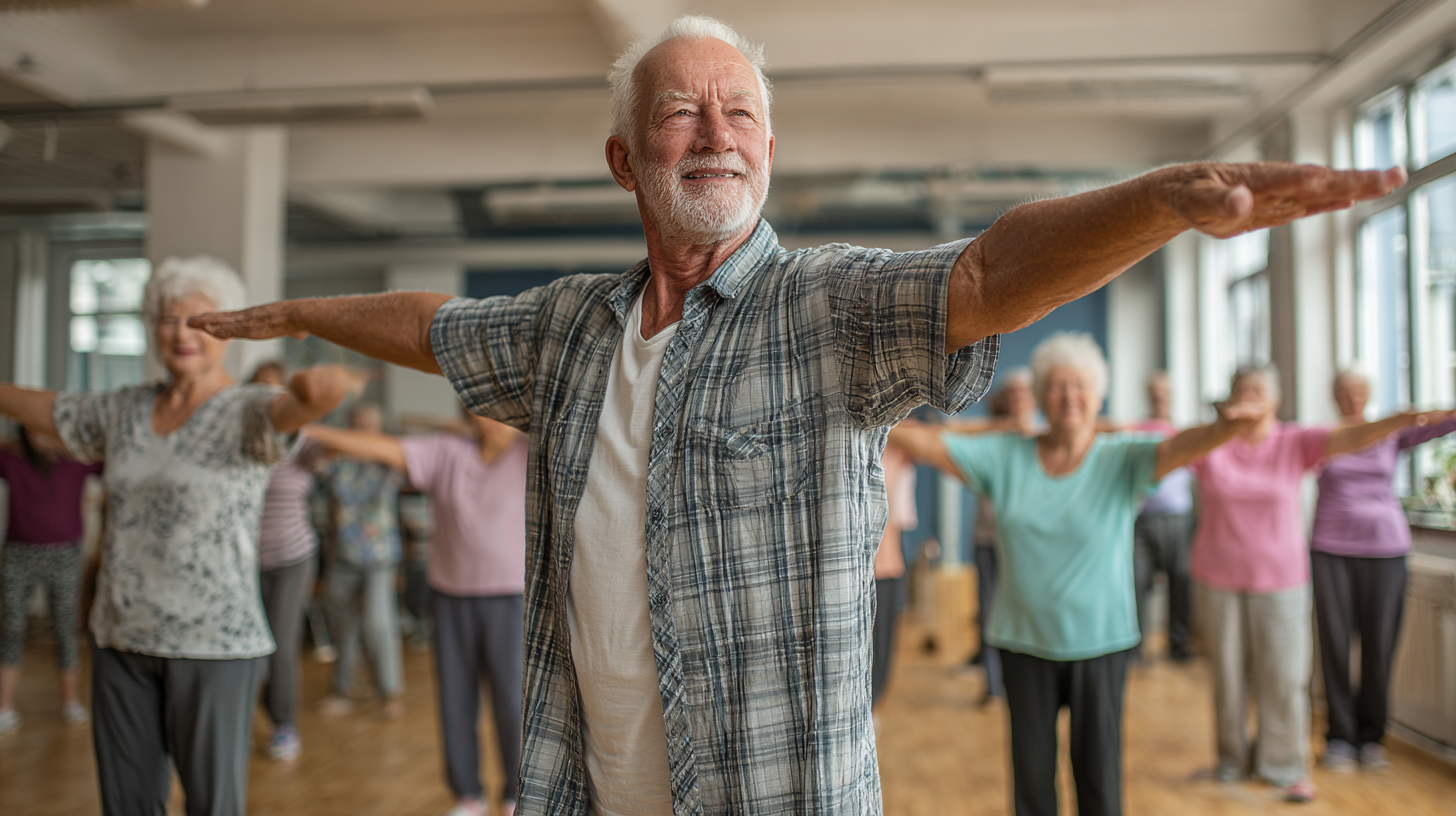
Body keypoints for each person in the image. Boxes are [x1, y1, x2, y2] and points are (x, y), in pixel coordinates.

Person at [188, 16, 1402, 813]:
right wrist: (300, 311)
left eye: (740, 114)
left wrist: (1166, 201)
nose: (715, 133)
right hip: (583, 784)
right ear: (625, 160)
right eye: (680, 113)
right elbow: (428, 325)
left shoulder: (826, 308)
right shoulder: (562, 330)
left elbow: (983, 276)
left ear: (769, 148)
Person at [0, 255, 357, 816]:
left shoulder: (249, 411)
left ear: (229, 330)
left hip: (213, 643)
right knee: (128, 806)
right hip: (121, 637)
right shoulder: (124, 409)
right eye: (168, 318)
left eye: (201, 318)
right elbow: (48, 408)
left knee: (212, 805)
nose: (182, 332)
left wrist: (306, 362)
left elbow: (313, 398)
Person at [891, 332, 1260, 816]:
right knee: (1032, 785)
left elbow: (1179, 447)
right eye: (1059, 386)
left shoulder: (1121, 458)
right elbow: (923, 444)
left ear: (1099, 395)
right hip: (1024, 644)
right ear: (1043, 395)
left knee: (1099, 781)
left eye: (1081, 386)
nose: (1070, 397)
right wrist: (990, 426)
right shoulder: (1007, 457)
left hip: (1101, 643)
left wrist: (1223, 428)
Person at [1189, 364, 1452, 803]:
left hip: (1285, 576)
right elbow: (1160, 441)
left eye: (1259, 391)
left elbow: (1361, 437)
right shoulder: (1212, 444)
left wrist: (1406, 417)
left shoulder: (1296, 440)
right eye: (1242, 391)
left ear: (1276, 400)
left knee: (1286, 677)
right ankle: (1232, 763)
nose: (1250, 398)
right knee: (1230, 678)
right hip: (1224, 574)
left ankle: (1287, 765)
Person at [304, 409, 526, 816]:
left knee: (514, 701)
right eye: (480, 409)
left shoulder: (531, 451)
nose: (490, 419)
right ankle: (467, 796)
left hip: (512, 598)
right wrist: (307, 426)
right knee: (455, 699)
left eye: (500, 410)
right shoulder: (446, 452)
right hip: (452, 596)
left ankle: (516, 795)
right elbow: (382, 447)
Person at [1310, 368, 1456, 773]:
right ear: (1334, 396)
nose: (1351, 398)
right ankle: (1339, 736)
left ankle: (1372, 738)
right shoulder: (1326, 437)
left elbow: (1444, 424)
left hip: (1387, 548)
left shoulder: (1389, 432)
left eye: (1358, 391)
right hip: (1331, 548)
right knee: (1336, 647)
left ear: (1369, 394)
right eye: (1344, 391)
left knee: (1379, 646)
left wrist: (1425, 411)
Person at [0, 426, 103, 734]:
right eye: (35, 428)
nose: (41, 434)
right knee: (12, 627)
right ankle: (4, 705)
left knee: (65, 626)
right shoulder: (11, 459)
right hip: (18, 554)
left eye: (47, 427)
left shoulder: (78, 461)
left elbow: (113, 454)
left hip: (65, 555)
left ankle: (70, 701)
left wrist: (71, 444)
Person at [249, 361, 323, 762]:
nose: (269, 399)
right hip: (245, 560)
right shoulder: (241, 440)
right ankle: (242, 719)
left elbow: (331, 450)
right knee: (245, 648)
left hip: (293, 556)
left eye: (277, 392)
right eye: (260, 390)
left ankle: (284, 726)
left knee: (280, 645)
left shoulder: (303, 441)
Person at [951, 368, 1037, 706]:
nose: (1018, 401)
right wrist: (1006, 428)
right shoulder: (990, 435)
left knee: (1026, 611)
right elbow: (954, 433)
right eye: (1012, 395)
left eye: (1024, 394)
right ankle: (993, 687)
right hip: (988, 537)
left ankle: (1023, 682)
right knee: (988, 612)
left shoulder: (1042, 433)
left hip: (1027, 542)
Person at [314, 402, 406, 719]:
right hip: (343, 553)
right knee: (342, 622)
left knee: (378, 622)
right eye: (354, 423)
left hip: (379, 554)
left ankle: (390, 692)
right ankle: (343, 688)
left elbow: (407, 462)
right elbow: (316, 460)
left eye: (366, 423)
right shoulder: (338, 460)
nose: (359, 429)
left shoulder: (387, 458)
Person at [1132, 371, 1195, 662]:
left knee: (1180, 580)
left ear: (1171, 397)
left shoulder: (1184, 432)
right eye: (1154, 392)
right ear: (1148, 396)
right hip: (1143, 520)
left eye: (1164, 392)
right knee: (1138, 581)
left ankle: (1178, 643)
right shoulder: (1135, 430)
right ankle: (1136, 646)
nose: (1159, 397)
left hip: (1178, 518)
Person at [871, 433, 917, 714]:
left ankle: (872, 710)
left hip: (887, 567)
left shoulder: (896, 442)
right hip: (858, 572)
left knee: (882, 656)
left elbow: (945, 437)